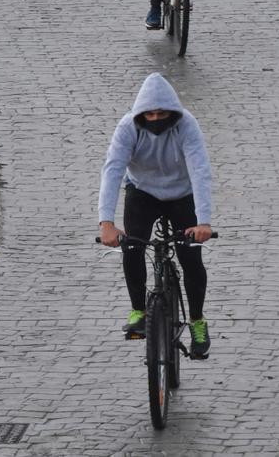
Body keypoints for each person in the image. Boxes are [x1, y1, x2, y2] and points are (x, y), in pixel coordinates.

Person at [98, 72, 214, 357]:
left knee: (190, 256)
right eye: (150, 114)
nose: (156, 119)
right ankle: (138, 310)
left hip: (181, 194)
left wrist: (203, 222)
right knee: (133, 248)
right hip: (143, 193)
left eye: (162, 113)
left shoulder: (187, 125)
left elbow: (199, 170)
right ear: (141, 114)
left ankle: (197, 320)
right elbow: (112, 171)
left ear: (173, 113)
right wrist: (107, 223)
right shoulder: (128, 128)